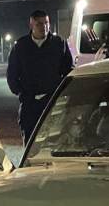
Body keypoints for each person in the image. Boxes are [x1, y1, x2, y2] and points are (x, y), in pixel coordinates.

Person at [6, 10, 74, 144]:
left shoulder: (59, 43)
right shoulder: (21, 46)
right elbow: (12, 74)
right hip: (29, 103)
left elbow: (68, 70)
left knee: (54, 138)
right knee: (30, 138)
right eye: (39, 24)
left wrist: (61, 91)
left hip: (52, 100)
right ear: (31, 25)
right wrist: (22, 92)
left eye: (46, 23)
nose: (44, 27)